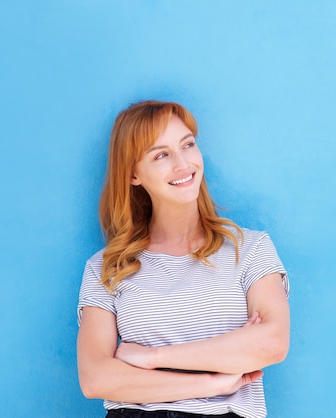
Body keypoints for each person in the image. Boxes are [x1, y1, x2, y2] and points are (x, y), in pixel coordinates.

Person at [77, 100, 290, 418]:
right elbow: (95, 379)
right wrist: (213, 384)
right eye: (161, 154)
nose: (182, 164)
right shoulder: (106, 267)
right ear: (134, 173)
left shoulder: (250, 248)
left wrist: (153, 357)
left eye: (187, 145)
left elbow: (271, 343)